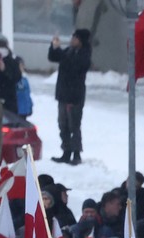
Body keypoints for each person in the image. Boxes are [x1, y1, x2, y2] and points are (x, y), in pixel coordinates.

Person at [46, 29, 91, 165]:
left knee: (74, 125)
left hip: (75, 96)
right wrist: (54, 47)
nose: (72, 40)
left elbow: (74, 65)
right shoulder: (68, 51)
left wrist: (59, 51)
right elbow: (54, 57)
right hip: (63, 94)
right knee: (63, 124)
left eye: (75, 38)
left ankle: (76, 153)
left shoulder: (84, 55)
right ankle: (66, 151)